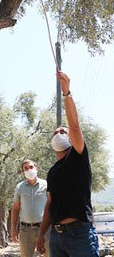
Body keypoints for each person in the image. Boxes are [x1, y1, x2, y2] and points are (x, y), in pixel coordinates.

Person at [35, 71, 99, 256]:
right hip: (56, 237)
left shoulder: (78, 156)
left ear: (70, 137)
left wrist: (66, 93)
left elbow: (75, 125)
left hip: (80, 235)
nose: (58, 133)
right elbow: (49, 204)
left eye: (63, 131)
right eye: (55, 132)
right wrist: (42, 235)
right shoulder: (53, 171)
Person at [10, 159, 49, 257]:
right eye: (26, 168)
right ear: (23, 172)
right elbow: (15, 208)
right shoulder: (19, 187)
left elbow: (52, 204)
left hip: (45, 229)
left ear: (36, 168)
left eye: (31, 167)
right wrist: (14, 229)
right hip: (26, 230)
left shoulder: (46, 185)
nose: (29, 170)